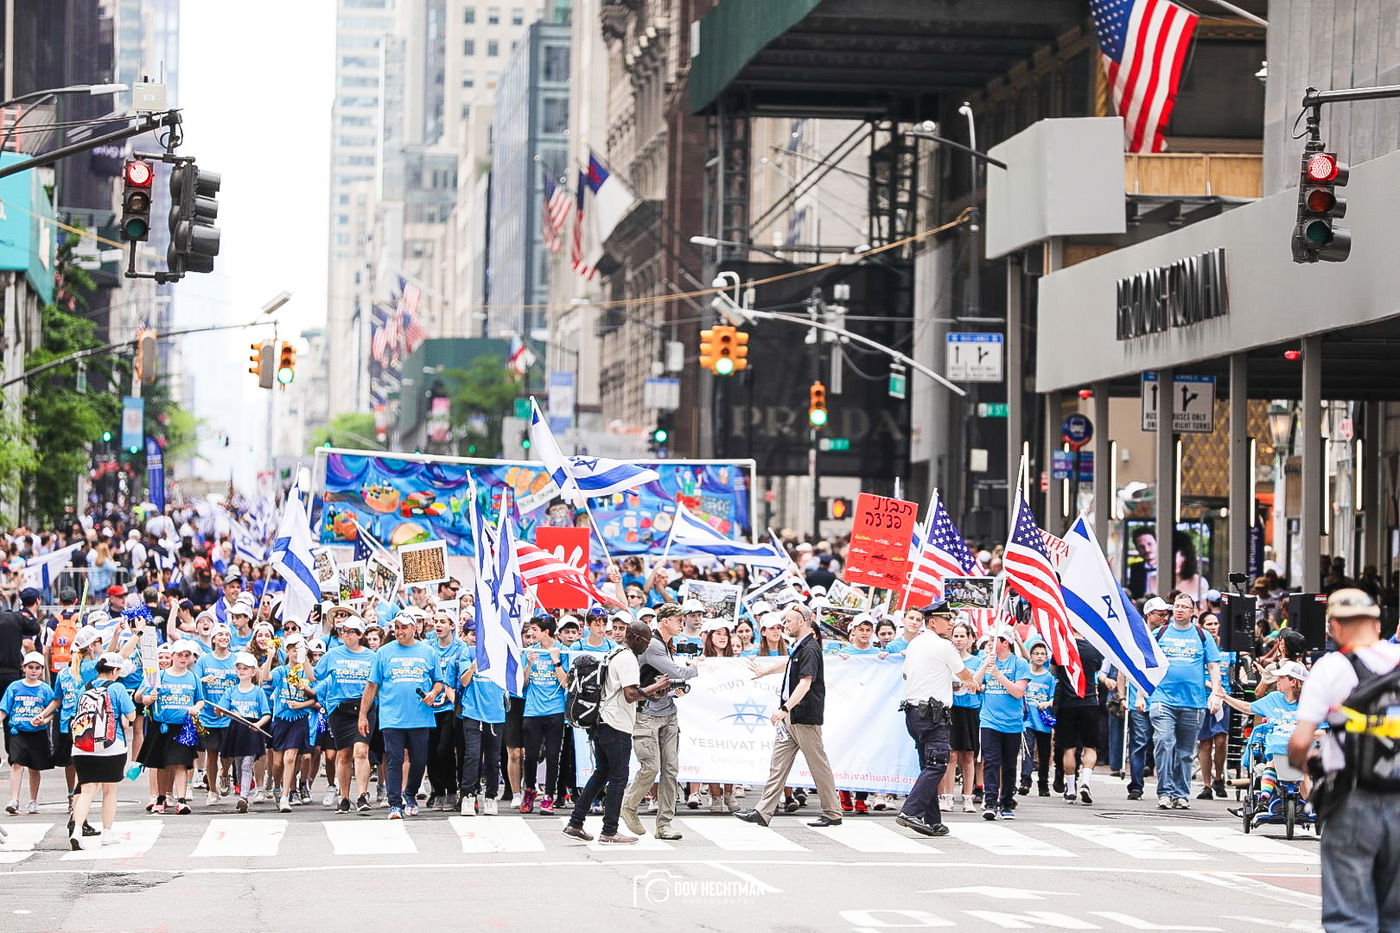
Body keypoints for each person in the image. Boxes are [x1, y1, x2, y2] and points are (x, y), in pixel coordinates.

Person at [1289, 588, 1400, 932]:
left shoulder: (1331, 668)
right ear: (1378, 624)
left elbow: (1300, 742)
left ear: (1334, 626)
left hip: (1351, 799)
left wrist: (1308, 762)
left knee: (1349, 919)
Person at [563, 622, 672, 844]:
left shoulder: (614, 652)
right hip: (616, 723)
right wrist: (658, 686)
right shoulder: (628, 658)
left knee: (601, 773)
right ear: (636, 638)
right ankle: (609, 830)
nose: (648, 644)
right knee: (618, 777)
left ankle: (575, 823)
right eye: (646, 639)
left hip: (602, 720)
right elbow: (631, 694)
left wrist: (651, 693)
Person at [735, 602, 843, 828]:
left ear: (802, 621)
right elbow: (789, 662)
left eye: (788, 621)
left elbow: (806, 683)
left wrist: (785, 708)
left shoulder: (811, 649)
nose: (785, 625)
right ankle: (763, 811)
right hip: (791, 718)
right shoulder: (800, 647)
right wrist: (766, 671)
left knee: (818, 764)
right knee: (778, 764)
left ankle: (832, 812)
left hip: (803, 716)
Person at [895, 602, 975, 837]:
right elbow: (964, 674)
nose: (950, 623)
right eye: (946, 619)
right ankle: (910, 811)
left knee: (928, 765)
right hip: (933, 715)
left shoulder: (915, 643)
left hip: (913, 712)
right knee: (938, 763)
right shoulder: (944, 646)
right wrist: (974, 680)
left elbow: (906, 673)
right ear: (932, 622)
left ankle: (933, 821)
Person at [620, 603, 698, 840]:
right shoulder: (654, 645)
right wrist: (697, 667)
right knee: (651, 767)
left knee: (671, 770)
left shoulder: (665, 644)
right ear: (665, 621)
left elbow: (666, 679)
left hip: (667, 712)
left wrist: (678, 688)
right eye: (678, 620)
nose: (681, 624)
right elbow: (678, 672)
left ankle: (664, 824)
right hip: (646, 715)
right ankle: (629, 805)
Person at [360, 614, 445, 819]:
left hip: (420, 717)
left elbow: (438, 682)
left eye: (404, 627)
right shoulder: (384, 652)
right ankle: (395, 804)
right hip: (392, 717)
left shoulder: (428, 651)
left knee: (419, 760)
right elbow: (372, 686)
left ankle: (410, 794)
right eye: (396, 627)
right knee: (394, 759)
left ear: (414, 628)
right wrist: (363, 714)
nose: (399, 631)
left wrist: (433, 694)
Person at [1149, 593, 1222, 809]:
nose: (1179, 610)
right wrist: (1144, 693)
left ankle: (1180, 794)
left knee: (1185, 752)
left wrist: (1216, 693)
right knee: (1164, 742)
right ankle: (1164, 792)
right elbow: (1144, 663)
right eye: (1177, 606)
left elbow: (1213, 666)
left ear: (1193, 612)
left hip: (1193, 702)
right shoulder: (1159, 633)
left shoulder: (1202, 636)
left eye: (1184, 607)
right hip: (1163, 699)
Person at [67, 652, 137, 848]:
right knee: (110, 790)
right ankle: (107, 833)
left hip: (82, 746)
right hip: (111, 746)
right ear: (114, 670)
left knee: (87, 790)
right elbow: (131, 716)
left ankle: (77, 830)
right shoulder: (117, 688)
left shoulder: (84, 688)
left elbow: (75, 715)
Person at [134, 638, 207, 814]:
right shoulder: (159, 676)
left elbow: (200, 700)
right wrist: (148, 699)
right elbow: (141, 698)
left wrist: (196, 708)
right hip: (162, 725)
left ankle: (181, 800)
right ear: (173, 656)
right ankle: (161, 797)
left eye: (186, 655)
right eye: (180, 655)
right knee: (161, 764)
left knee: (181, 763)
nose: (183, 658)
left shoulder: (193, 678)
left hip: (183, 726)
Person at [315, 615, 376, 814]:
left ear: (360, 635)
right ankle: (344, 797)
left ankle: (362, 795)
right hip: (339, 709)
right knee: (343, 754)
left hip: (363, 707)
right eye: (344, 631)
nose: (346, 635)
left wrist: (367, 711)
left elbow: (375, 684)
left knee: (361, 751)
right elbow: (316, 675)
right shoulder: (333, 654)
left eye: (351, 631)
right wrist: (301, 660)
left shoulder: (371, 657)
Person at [973, 626, 1030, 820]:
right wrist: (985, 666)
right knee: (990, 762)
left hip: (1012, 723)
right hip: (989, 721)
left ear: (1005, 643)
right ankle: (990, 802)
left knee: (1008, 765)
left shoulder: (1019, 663)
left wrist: (998, 675)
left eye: (994, 640)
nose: (989, 643)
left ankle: (1006, 803)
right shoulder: (986, 661)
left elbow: (1018, 692)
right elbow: (973, 685)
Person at [450, 626, 505, 817]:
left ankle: (491, 797)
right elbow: (464, 682)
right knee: (472, 756)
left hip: (495, 714)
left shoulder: (502, 654)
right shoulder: (468, 652)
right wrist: (473, 666)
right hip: (472, 712)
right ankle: (468, 796)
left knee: (493, 759)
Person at [519, 615, 569, 815]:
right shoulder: (530, 651)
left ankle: (549, 795)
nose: (531, 634)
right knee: (530, 756)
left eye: (535, 630)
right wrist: (529, 666)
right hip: (532, 710)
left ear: (545, 632)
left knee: (552, 755)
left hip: (555, 711)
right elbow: (521, 684)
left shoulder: (563, 650)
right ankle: (529, 791)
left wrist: (556, 661)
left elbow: (565, 683)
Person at [1054, 634, 1108, 805]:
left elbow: (1053, 670)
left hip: (1067, 704)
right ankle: (1085, 782)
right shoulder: (1094, 649)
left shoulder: (1061, 648)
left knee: (1068, 749)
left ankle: (1070, 790)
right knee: (1090, 747)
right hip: (1090, 701)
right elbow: (1097, 668)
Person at [1, 652, 55, 814]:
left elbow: (52, 710)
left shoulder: (45, 689)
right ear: (23, 668)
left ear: (41, 670)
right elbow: (5, 708)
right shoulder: (15, 687)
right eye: (30, 667)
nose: (33, 671)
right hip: (18, 731)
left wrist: (44, 720)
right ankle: (14, 799)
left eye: (37, 668)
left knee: (34, 767)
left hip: (37, 732)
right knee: (17, 764)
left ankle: (33, 800)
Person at [218, 652, 271, 813]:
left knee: (248, 763)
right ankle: (240, 787)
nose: (242, 671)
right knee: (239, 763)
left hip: (251, 729)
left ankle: (244, 797)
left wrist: (258, 724)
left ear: (253, 671)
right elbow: (221, 709)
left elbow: (266, 714)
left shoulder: (258, 691)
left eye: (246, 668)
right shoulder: (231, 691)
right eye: (239, 668)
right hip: (236, 728)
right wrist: (220, 712)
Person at [945, 619, 984, 812]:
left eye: (963, 636)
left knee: (969, 755)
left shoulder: (977, 662)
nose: (959, 640)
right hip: (951, 708)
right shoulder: (947, 659)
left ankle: (968, 797)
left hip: (970, 709)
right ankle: (948, 796)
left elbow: (977, 685)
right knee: (951, 755)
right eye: (956, 636)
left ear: (970, 639)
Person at [1194, 611, 1229, 800]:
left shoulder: (1227, 648)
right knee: (1205, 743)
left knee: (1221, 740)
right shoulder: (1199, 647)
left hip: (1224, 699)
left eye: (1216, 623)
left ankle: (1219, 778)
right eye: (1209, 624)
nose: (1213, 627)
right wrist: (1211, 687)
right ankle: (1206, 785)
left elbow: (1234, 672)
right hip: (1203, 698)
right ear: (1202, 627)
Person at [1020, 641, 1056, 797]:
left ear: (1046, 657)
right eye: (1036, 653)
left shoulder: (1049, 678)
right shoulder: (1025, 674)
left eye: (1042, 654)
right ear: (1031, 656)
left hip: (1043, 721)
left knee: (1044, 753)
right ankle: (1025, 781)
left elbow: (1055, 698)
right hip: (1027, 719)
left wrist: (1047, 703)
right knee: (1027, 751)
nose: (1039, 656)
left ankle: (1043, 783)